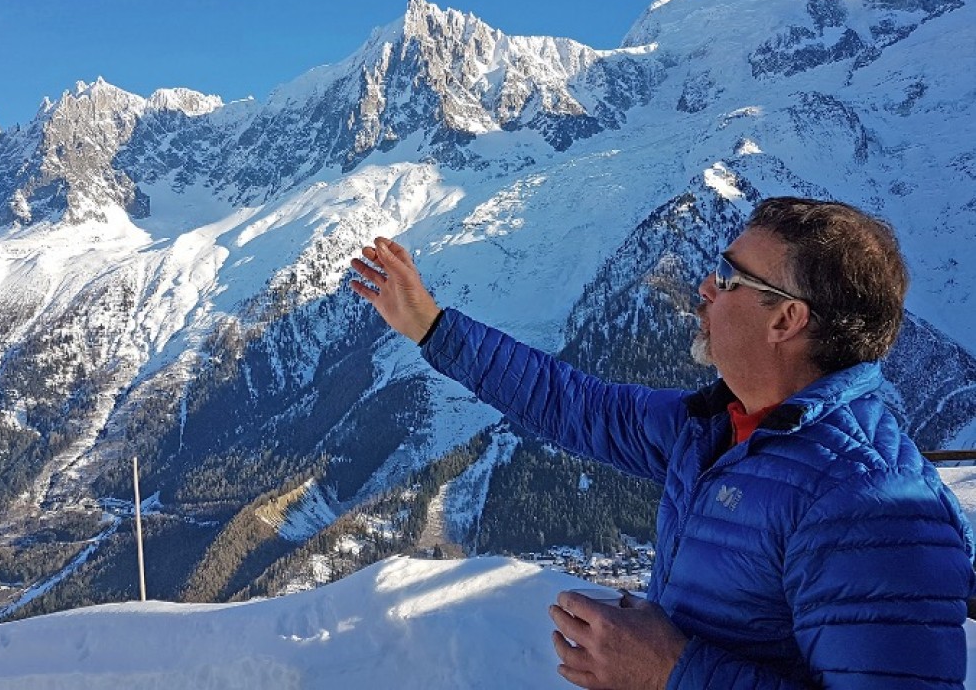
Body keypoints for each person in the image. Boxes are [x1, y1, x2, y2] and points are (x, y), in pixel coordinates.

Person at [349, 197, 976, 688]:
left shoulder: (868, 503)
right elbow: (576, 406)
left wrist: (667, 669)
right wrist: (431, 326)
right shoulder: (720, 428)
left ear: (786, 319)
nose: (705, 287)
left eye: (730, 279)